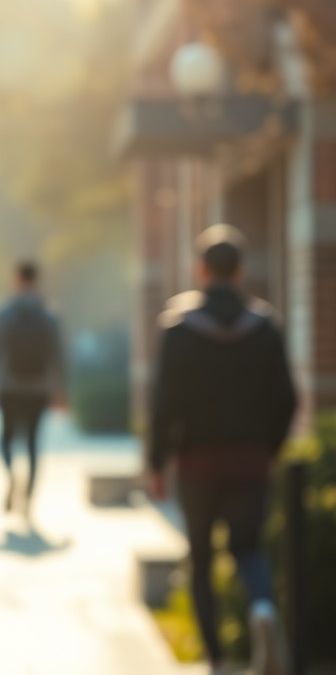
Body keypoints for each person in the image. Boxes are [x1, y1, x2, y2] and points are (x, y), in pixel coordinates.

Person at [146, 226, 296, 675]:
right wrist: (270, 447)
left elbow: (163, 403)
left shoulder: (179, 329)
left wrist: (157, 462)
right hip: (251, 458)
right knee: (248, 549)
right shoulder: (265, 327)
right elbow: (287, 398)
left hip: (197, 462)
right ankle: (264, 610)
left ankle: (215, 659)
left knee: (201, 557)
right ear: (241, 271)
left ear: (201, 270)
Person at [0, 261, 65, 517]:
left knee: (5, 440)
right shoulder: (49, 313)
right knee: (33, 443)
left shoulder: (4, 312)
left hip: (9, 387)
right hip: (38, 389)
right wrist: (61, 391)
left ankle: (11, 476)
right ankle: (28, 498)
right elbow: (57, 355)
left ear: (16, 280)